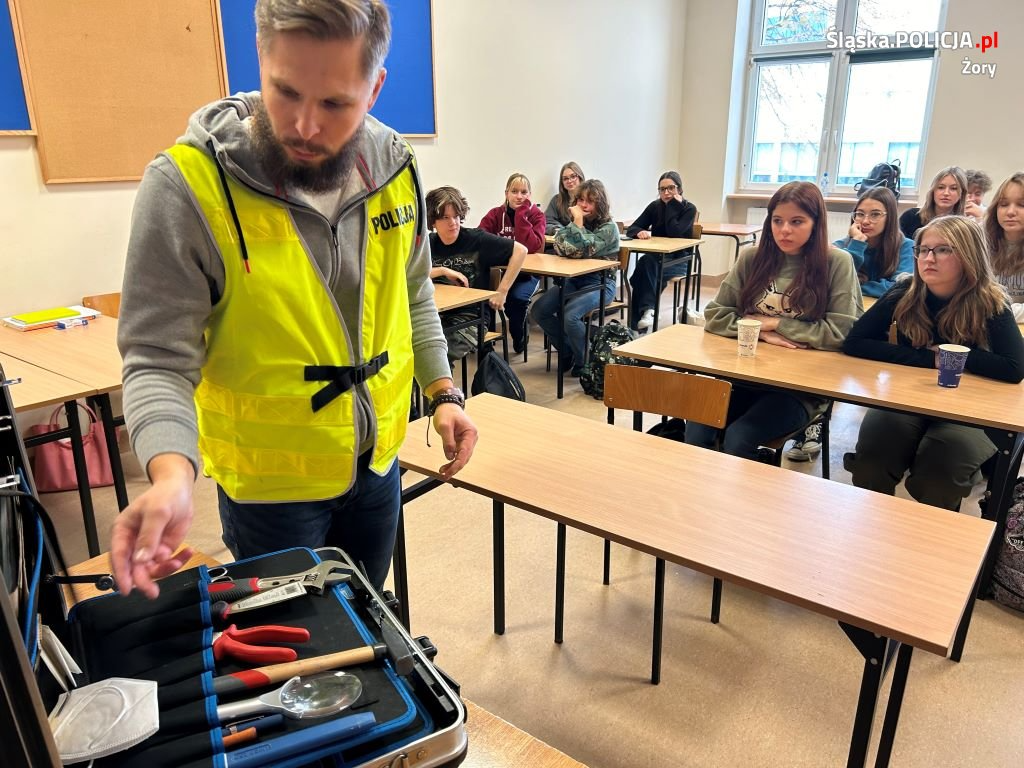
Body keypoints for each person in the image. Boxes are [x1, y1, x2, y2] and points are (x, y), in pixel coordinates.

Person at [112, 0, 478, 599]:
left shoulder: (397, 170)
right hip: (269, 491)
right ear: (260, 59)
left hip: (376, 464)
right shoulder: (187, 186)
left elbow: (413, 295)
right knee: (298, 656)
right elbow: (155, 356)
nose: (306, 126)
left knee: (365, 622)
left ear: (376, 86)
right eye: (286, 92)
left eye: (335, 103)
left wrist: (443, 393)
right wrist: (172, 473)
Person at [843, 215, 1024, 510]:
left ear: (968, 255)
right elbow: (856, 342)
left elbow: (1015, 368)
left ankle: (932, 546)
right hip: (910, 398)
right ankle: (874, 532)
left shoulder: (991, 301)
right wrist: (930, 358)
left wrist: (953, 356)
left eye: (943, 250)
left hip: (972, 407)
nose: (929, 258)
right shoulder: (906, 291)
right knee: (872, 462)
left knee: (939, 473)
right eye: (923, 250)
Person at [685, 181, 862, 461]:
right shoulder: (753, 258)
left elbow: (841, 332)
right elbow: (716, 314)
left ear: (816, 224)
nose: (784, 230)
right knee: (696, 429)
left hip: (798, 388)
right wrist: (760, 332)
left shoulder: (837, 262)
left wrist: (775, 324)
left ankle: (748, 500)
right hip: (742, 375)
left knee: (739, 437)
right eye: (777, 221)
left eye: (797, 221)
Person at [787, 186, 915, 462]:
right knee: (818, 345)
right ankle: (812, 421)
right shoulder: (845, 245)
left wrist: (862, 284)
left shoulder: (906, 247)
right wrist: (855, 249)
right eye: (860, 214)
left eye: (875, 214)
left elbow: (899, 288)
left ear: (890, 216)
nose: (866, 221)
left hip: (888, 326)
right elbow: (833, 278)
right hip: (849, 321)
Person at [426, 186, 528, 361]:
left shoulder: (476, 240)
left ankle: (444, 388)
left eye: (456, 216)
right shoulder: (428, 244)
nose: (453, 223)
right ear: (433, 222)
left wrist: (502, 292)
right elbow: (408, 274)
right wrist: (442, 270)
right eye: (445, 217)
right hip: (438, 314)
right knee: (414, 346)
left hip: (473, 316)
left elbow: (521, 251)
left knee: (437, 354)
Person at [531, 179, 620, 376]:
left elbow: (584, 249)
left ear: (600, 203)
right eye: (580, 200)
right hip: (575, 280)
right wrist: (575, 229)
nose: (583, 205)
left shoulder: (609, 228)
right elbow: (560, 246)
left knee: (569, 316)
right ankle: (567, 350)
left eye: (589, 201)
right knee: (539, 310)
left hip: (601, 283)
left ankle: (585, 360)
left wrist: (577, 225)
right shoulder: (577, 222)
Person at [478, 173, 545, 352]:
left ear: (530, 195)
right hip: (500, 273)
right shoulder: (495, 214)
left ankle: (520, 334)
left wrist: (521, 216)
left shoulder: (536, 216)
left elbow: (530, 247)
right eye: (514, 191)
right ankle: (488, 344)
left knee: (516, 300)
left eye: (524, 192)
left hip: (526, 274)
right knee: (484, 298)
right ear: (506, 193)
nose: (519, 196)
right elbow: (481, 238)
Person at [626, 171, 698, 331]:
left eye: (671, 188)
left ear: (679, 189)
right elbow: (632, 228)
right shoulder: (655, 207)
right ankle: (648, 312)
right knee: (646, 265)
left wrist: (673, 206)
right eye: (662, 189)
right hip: (657, 259)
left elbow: (675, 232)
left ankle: (637, 326)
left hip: (680, 260)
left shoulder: (689, 209)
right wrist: (639, 232)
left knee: (642, 276)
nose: (666, 193)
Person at [984, 172, 1024, 322]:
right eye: (1004, 204)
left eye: (1022, 205)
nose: (1010, 212)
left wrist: (998, 311)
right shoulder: (980, 242)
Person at [899, 166, 967, 239]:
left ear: (962, 193)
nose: (946, 193)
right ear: (933, 191)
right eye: (941, 187)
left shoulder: (964, 227)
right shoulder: (910, 217)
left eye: (953, 188)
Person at [545, 162, 585, 235]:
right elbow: (546, 222)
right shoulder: (556, 200)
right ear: (562, 182)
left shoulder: (588, 201)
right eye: (565, 178)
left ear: (580, 177)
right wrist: (562, 230)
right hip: (561, 243)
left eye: (573, 176)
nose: (569, 181)